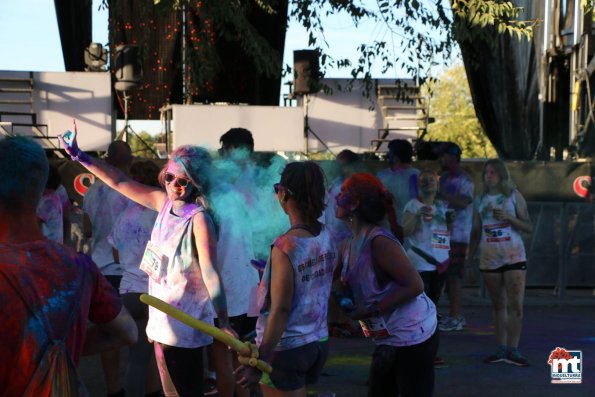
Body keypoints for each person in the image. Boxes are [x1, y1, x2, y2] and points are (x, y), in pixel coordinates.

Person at [60, 123, 234, 396]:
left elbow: (211, 273)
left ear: (196, 182)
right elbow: (118, 181)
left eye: (183, 181)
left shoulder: (198, 219)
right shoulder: (161, 203)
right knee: (169, 392)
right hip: (161, 321)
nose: (174, 185)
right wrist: (79, 156)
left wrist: (224, 323)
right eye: (170, 177)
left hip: (186, 327)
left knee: (185, 391)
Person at [0, 136, 137, 396]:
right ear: (41, 191)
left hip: (102, 259)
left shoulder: (94, 192)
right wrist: (55, 344)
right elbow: (127, 333)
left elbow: (85, 227)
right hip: (112, 268)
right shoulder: (78, 268)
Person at [236, 161, 336, 397]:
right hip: (317, 341)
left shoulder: (285, 246)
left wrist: (260, 360)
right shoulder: (328, 234)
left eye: (277, 189)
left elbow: (281, 309)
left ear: (285, 194)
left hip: (287, 349)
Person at [333, 173, 438, 397]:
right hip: (386, 336)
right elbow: (328, 281)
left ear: (355, 203)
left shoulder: (379, 241)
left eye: (342, 193)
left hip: (414, 335)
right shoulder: (348, 244)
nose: (336, 198)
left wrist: (371, 309)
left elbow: (415, 285)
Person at [210, 128, 261, 397]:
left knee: (227, 359)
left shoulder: (219, 190)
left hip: (227, 286)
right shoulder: (260, 184)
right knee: (242, 358)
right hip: (249, 284)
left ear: (232, 150)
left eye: (224, 150)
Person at [467, 159, 532, 366]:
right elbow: (476, 231)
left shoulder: (513, 196)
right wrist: (469, 258)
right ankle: (501, 348)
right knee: (498, 305)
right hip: (489, 258)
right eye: (486, 172)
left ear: (502, 175)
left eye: (493, 172)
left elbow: (528, 226)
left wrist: (509, 218)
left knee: (516, 305)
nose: (489, 176)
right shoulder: (480, 200)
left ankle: (514, 349)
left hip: (513, 256)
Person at [108, 160, 163, 397]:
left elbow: (115, 251)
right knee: (155, 358)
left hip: (128, 290)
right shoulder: (161, 214)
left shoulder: (125, 215)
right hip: (154, 294)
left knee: (137, 358)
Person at [83, 140, 133, 397]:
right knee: (140, 332)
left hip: (100, 271)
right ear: (129, 161)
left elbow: (88, 229)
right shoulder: (129, 190)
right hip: (130, 272)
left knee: (107, 333)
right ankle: (144, 384)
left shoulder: (91, 192)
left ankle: (115, 389)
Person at [435, 142, 474, 332]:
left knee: (454, 275)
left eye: (443, 156)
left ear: (453, 157)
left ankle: (457, 316)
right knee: (441, 275)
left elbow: (464, 202)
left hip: (458, 234)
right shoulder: (442, 178)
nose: (439, 160)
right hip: (441, 233)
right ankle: (451, 314)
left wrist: (441, 193)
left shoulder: (464, 179)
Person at [402, 169, 452, 305]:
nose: (428, 183)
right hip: (420, 262)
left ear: (437, 185)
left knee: (434, 302)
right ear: (418, 185)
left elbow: (447, 234)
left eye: (431, 180)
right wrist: (416, 216)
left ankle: (431, 326)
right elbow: (405, 231)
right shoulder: (412, 205)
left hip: (440, 262)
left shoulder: (442, 206)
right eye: (424, 180)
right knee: (420, 302)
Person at [377, 139, 420, 242]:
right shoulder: (382, 176)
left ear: (395, 158)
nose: (387, 157)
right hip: (389, 231)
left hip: (409, 234)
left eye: (389, 154)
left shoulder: (418, 177)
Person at [324, 149, 360, 244]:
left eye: (343, 165)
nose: (340, 168)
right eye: (338, 165)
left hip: (349, 237)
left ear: (353, 165)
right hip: (331, 236)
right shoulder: (335, 183)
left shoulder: (358, 186)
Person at [36, 164, 64, 243]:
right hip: (55, 246)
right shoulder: (55, 197)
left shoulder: (47, 202)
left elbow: (34, 224)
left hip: (47, 248)